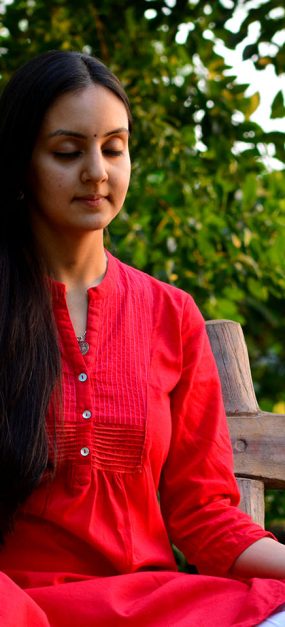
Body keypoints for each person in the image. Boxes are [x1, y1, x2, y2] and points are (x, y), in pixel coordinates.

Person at [0, 49, 285, 627]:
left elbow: (206, 515)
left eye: (114, 148)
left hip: (153, 607)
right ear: (21, 164)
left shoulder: (170, 314)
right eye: (67, 151)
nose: (97, 172)